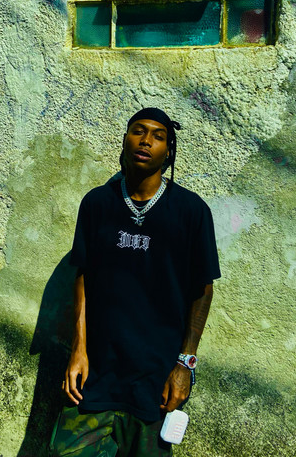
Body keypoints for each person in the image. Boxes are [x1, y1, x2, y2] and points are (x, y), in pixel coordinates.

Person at [48, 108, 221, 457]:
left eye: (158, 136)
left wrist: (184, 364)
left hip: (155, 381)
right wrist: (78, 349)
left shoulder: (191, 212)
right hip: (95, 374)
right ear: (125, 140)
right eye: (138, 131)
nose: (146, 141)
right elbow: (83, 275)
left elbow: (202, 290)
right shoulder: (98, 203)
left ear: (168, 152)